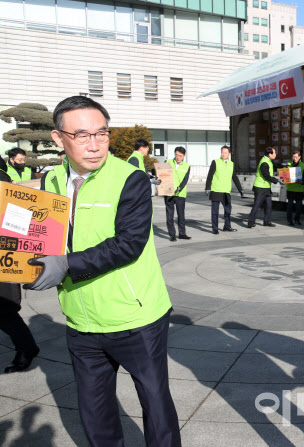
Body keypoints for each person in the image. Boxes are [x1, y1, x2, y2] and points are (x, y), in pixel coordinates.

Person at [26, 95, 180, 446]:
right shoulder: (51, 181)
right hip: (80, 319)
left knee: (156, 407)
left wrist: (64, 265)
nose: (94, 145)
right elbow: (45, 237)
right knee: (95, 412)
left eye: (102, 134)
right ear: (57, 138)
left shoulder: (130, 178)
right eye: (82, 136)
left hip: (135, 316)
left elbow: (129, 243)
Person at [0, 162, 40, 374]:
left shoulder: (2, 181)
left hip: (4, 256)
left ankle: (26, 348)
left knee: (4, 310)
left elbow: (17, 220)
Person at [205, 145, 244, 234]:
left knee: (228, 210)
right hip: (216, 190)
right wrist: (207, 187)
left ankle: (227, 226)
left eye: (225, 153)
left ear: (229, 154)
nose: (223, 154)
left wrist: (240, 189)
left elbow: (234, 177)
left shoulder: (231, 164)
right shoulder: (215, 162)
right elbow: (210, 175)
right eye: (222, 152)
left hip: (226, 191)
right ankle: (215, 228)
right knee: (215, 212)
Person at [247, 147, 280, 228]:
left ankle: (267, 221)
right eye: (274, 153)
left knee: (269, 205)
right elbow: (266, 175)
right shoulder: (264, 163)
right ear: (269, 154)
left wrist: (285, 165)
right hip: (260, 187)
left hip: (266, 187)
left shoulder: (269, 161)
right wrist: (277, 180)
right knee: (257, 205)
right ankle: (250, 222)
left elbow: (276, 165)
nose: (275, 154)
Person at [165, 147, 191, 241]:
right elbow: (161, 173)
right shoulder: (167, 162)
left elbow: (185, 180)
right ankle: (172, 234)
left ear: (184, 156)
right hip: (168, 193)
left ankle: (182, 233)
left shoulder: (187, 166)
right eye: (176, 155)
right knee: (169, 215)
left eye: (180, 156)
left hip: (180, 194)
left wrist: (179, 188)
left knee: (181, 215)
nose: (178, 157)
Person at [285, 150, 304, 226]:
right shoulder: (288, 165)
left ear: (299, 157)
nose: (295, 158)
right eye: (293, 157)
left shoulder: (303, 165)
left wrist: (302, 182)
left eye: (296, 157)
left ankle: (297, 219)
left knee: (298, 207)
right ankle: (289, 220)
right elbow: (284, 176)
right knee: (290, 207)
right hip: (290, 189)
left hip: (299, 189)